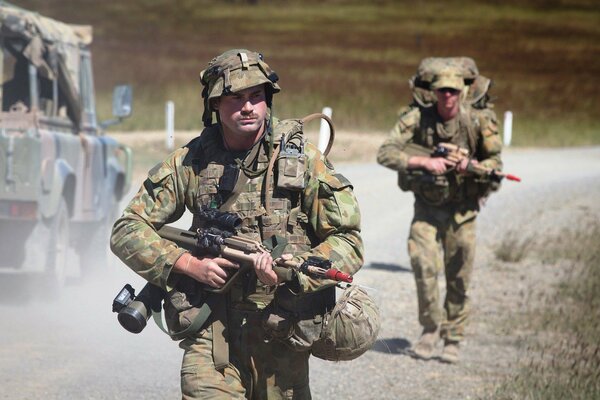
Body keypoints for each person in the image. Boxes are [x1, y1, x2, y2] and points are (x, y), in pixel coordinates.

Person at [110, 49, 364, 399]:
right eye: (235, 97)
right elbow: (127, 229)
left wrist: (292, 272)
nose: (248, 107)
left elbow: (348, 241)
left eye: (255, 96)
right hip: (211, 332)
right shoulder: (192, 161)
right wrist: (187, 264)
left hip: (281, 334)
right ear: (215, 103)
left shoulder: (302, 162)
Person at [376, 60, 503, 364]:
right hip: (428, 209)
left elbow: (496, 166)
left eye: (453, 91)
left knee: (459, 274)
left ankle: (453, 337)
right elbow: (386, 152)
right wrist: (423, 162)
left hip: (463, 211)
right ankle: (430, 330)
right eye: (442, 91)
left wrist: (471, 166)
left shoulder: (477, 121)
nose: (447, 96)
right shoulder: (418, 118)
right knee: (423, 266)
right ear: (434, 92)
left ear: (462, 92)